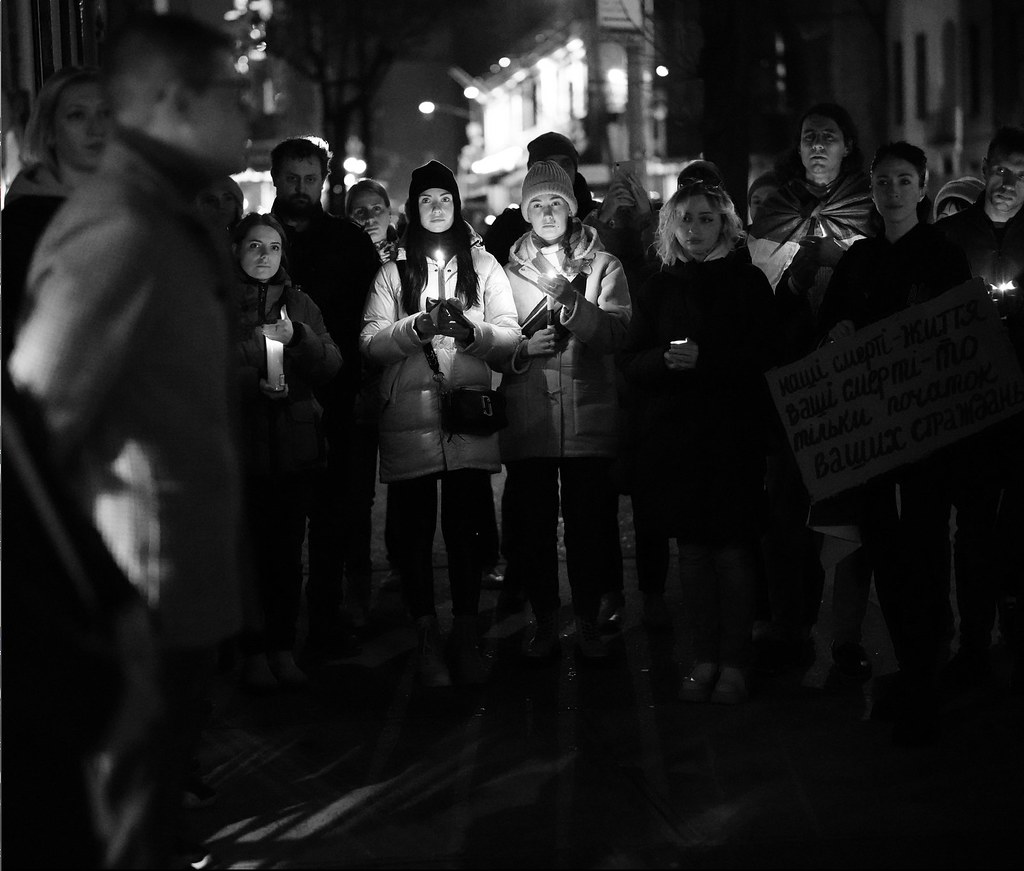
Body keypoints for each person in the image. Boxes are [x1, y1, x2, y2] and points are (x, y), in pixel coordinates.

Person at [7, 11, 251, 864]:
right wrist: (97, 612)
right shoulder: (119, 228)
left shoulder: (164, 214)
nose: (247, 110)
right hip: (134, 606)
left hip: (169, 600)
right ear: (179, 101)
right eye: (234, 91)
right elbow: (30, 436)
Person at [818, 141, 972, 745]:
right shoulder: (859, 260)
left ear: (922, 186)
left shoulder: (943, 255)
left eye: (904, 180)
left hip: (928, 431)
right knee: (883, 546)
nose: (893, 191)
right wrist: (839, 330)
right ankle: (909, 666)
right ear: (873, 191)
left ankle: (927, 671)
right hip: (871, 435)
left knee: (928, 547)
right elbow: (828, 327)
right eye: (883, 181)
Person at [360, 160, 521, 687]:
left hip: (466, 418)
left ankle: (467, 630)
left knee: (468, 527)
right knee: (412, 532)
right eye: (426, 199)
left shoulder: (485, 267)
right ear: (413, 207)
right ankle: (426, 630)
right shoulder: (392, 272)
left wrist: (469, 330)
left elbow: (509, 336)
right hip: (409, 419)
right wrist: (417, 327)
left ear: (456, 206)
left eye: (444, 199)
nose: (436, 208)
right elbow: (371, 343)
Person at [620, 180, 777, 704]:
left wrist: (707, 362)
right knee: (691, 552)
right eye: (685, 219)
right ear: (670, 226)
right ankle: (702, 657)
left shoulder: (748, 283)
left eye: (705, 218)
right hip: (678, 438)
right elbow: (631, 360)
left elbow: (764, 358)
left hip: (732, 437)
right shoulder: (657, 286)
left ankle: (735, 661)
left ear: (726, 225)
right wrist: (664, 361)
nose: (694, 229)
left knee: (732, 552)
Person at [747, 102, 878, 677]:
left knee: (850, 514)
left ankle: (846, 637)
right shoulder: (775, 206)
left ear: (848, 144)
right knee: (785, 515)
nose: (817, 145)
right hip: (789, 381)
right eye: (808, 138)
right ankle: (790, 627)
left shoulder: (870, 207)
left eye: (828, 136)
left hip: (850, 385)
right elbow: (757, 295)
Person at [500, 160, 631, 661]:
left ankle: (587, 617)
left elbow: (618, 333)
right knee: (533, 527)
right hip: (531, 416)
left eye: (556, 202)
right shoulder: (506, 273)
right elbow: (495, 341)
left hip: (587, 417)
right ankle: (545, 617)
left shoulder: (604, 266)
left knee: (589, 526)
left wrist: (574, 303)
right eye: (537, 203)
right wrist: (521, 349)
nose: (547, 211)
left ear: (572, 208)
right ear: (526, 212)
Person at [269, 135, 381, 667]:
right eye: (291, 178)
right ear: (275, 179)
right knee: (280, 525)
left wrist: (363, 386)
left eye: (308, 179)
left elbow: (368, 319)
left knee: (335, 517)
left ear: (323, 180)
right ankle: (277, 631)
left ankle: (326, 622)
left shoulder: (347, 242)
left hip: (336, 396)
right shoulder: (258, 239)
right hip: (273, 402)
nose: (299, 188)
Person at [232, 212, 342, 691]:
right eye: (254, 246)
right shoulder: (218, 304)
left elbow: (331, 365)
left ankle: (281, 646)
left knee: (284, 555)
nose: (264, 256)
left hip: (295, 449)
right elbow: (204, 367)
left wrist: (299, 338)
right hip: (240, 451)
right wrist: (254, 368)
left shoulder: (301, 304)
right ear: (236, 251)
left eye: (273, 248)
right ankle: (250, 652)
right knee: (246, 556)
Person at [934, 126, 1024, 690]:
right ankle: (971, 640)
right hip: (967, 412)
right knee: (970, 528)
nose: (1008, 183)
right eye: (1001, 170)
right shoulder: (948, 239)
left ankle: (1013, 634)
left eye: (1021, 174)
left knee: (1017, 526)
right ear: (984, 169)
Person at [2, 65, 110, 361]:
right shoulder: (25, 222)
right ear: (49, 132)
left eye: (106, 114)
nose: (96, 128)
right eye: (77, 115)